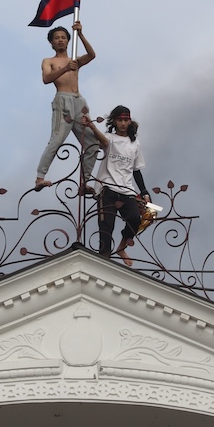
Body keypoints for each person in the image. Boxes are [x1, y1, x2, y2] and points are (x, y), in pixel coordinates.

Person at [83, 105, 150, 266]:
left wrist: (145, 191)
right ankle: (104, 261)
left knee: (135, 219)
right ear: (114, 121)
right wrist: (92, 126)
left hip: (127, 190)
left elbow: (136, 171)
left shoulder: (135, 144)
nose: (122, 123)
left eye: (125, 120)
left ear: (129, 121)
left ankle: (121, 247)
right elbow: (103, 140)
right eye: (120, 120)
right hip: (107, 189)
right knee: (106, 226)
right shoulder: (110, 138)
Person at [34, 21, 97, 191]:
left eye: (63, 37)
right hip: (63, 101)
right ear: (52, 42)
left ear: (68, 41)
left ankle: (84, 182)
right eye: (57, 38)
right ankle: (40, 178)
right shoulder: (49, 61)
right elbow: (47, 79)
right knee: (56, 140)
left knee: (92, 144)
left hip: (79, 102)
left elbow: (92, 55)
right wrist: (65, 69)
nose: (61, 40)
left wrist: (81, 34)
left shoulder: (74, 60)